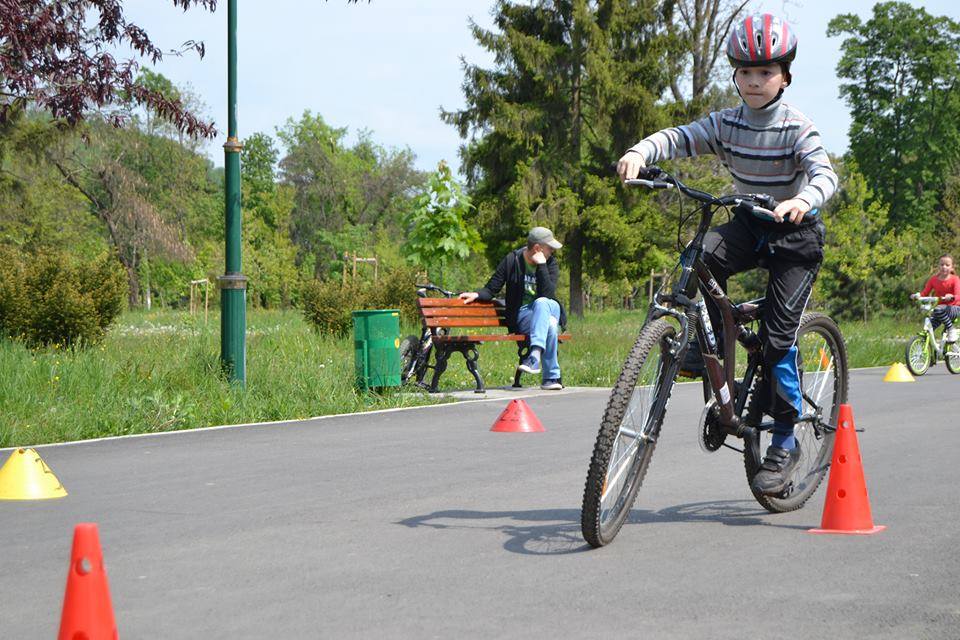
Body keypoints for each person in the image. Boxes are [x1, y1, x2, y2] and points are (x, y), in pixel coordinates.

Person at [616, 13, 838, 496]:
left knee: (780, 341)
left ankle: (784, 439)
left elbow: (824, 174)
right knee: (701, 255)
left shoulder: (797, 127)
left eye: (766, 72)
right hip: (749, 223)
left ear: (786, 75)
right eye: (745, 73)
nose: (755, 82)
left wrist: (803, 200)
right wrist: (641, 152)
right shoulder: (727, 123)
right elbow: (679, 136)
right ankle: (709, 341)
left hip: (794, 235)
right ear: (734, 75)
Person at [459, 227, 567, 390]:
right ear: (537, 248)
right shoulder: (512, 260)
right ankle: (551, 378)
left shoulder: (550, 263)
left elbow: (548, 294)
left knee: (543, 302)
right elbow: (492, 288)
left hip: (549, 308)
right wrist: (477, 294)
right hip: (524, 315)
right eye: (549, 248)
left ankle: (534, 356)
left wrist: (542, 266)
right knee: (551, 325)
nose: (552, 251)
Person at [912, 254, 960, 342]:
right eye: (942, 265)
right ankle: (926, 349)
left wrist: (951, 297)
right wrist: (917, 296)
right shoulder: (933, 279)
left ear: (952, 267)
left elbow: (958, 296)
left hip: (954, 309)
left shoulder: (955, 279)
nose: (944, 267)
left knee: (937, 309)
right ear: (938, 266)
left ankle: (951, 329)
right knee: (929, 328)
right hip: (939, 311)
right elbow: (925, 293)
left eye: (947, 265)